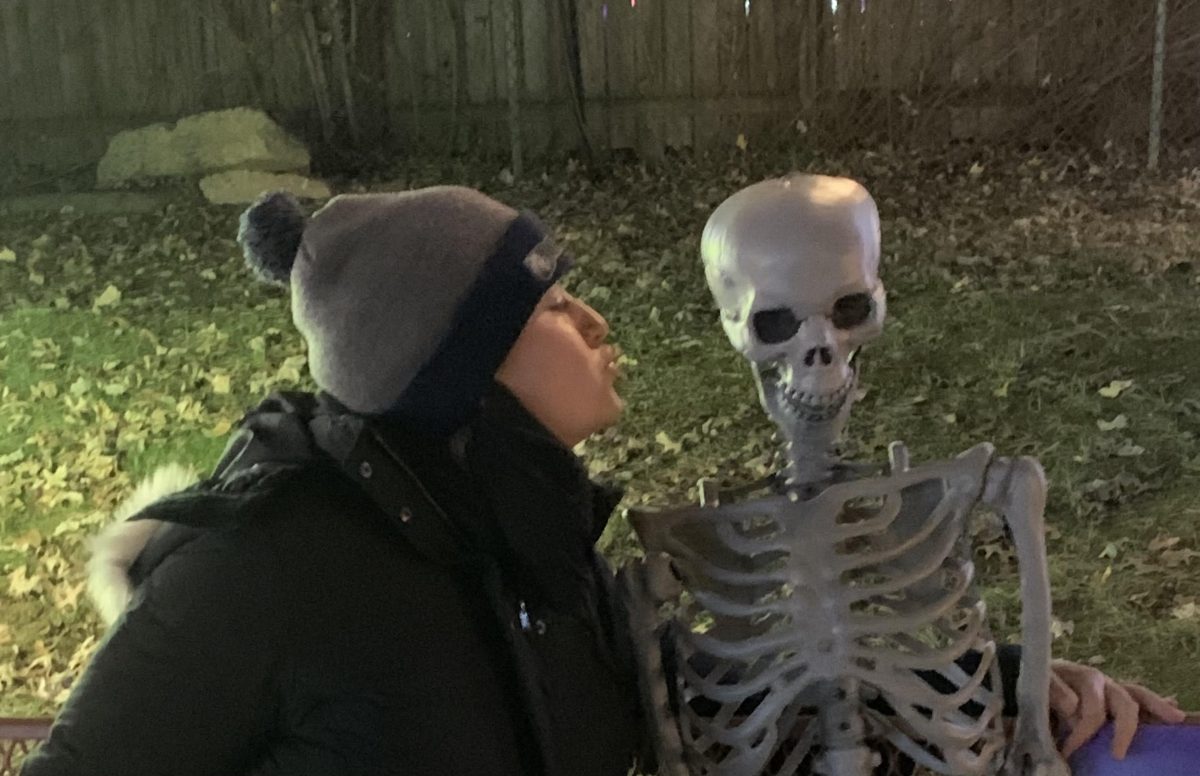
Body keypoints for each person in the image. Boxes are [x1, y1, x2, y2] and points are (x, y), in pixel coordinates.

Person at [19, 186, 1183, 776]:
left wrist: (1012, 673)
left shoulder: (531, 542)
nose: (596, 320)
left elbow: (705, 687)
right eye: (552, 304)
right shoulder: (264, 564)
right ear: (462, 361)